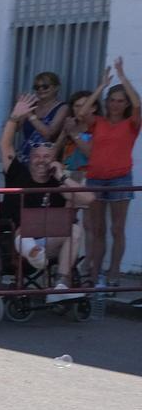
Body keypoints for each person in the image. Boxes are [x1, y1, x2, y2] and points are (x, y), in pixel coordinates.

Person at [0, 97, 91, 287]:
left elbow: (88, 199)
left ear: (54, 160)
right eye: (37, 156)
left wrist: (62, 176)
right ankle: (33, 253)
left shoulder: (58, 181)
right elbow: (5, 145)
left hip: (50, 241)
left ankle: (61, 284)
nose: (41, 160)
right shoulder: (18, 173)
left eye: (47, 156)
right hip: (18, 239)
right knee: (24, 230)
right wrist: (15, 117)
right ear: (30, 159)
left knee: (74, 229)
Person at [81, 59, 139, 286]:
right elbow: (83, 111)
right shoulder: (99, 122)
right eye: (112, 100)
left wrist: (123, 78)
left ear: (125, 104)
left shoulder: (132, 124)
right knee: (97, 228)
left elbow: (138, 106)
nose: (116, 104)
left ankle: (114, 272)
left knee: (117, 228)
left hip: (120, 178)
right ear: (107, 102)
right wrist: (101, 86)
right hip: (96, 178)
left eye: (120, 101)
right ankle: (96, 273)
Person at [16, 71, 69, 162]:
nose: (41, 89)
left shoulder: (63, 108)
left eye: (45, 86)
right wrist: (20, 107)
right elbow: (15, 128)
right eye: (36, 87)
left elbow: (49, 134)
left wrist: (29, 113)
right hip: (25, 157)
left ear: (56, 88)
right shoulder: (31, 106)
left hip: (46, 160)